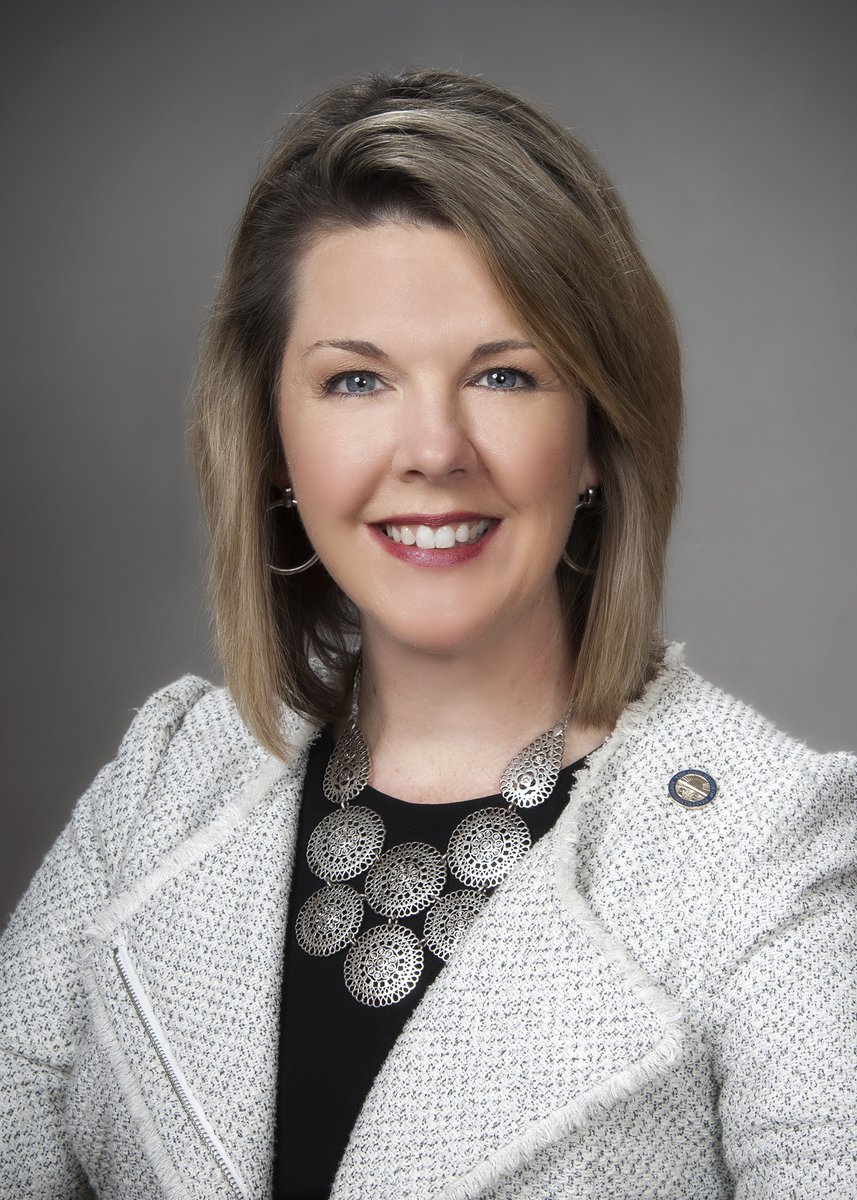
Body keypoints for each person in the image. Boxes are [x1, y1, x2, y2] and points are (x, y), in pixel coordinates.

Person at [0, 67, 854, 1200]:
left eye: (503, 374)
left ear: (597, 436)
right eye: (357, 381)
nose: (435, 450)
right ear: (270, 438)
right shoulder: (163, 784)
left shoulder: (768, 849)